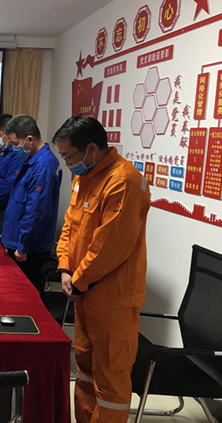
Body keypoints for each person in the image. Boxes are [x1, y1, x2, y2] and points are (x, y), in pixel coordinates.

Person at [53, 115, 150, 423]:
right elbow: (70, 226)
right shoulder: (84, 177)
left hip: (112, 299)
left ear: (91, 149)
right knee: (85, 370)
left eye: (69, 156)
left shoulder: (123, 181)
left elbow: (110, 246)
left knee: (110, 380)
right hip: (83, 293)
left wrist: (79, 281)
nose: (67, 163)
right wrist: (64, 268)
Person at [0, 115, 61, 291]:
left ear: (29, 139)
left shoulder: (44, 165)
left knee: (26, 294)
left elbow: (37, 210)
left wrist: (23, 245)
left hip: (29, 248)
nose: (13, 148)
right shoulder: (32, 160)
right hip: (19, 241)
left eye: (15, 143)